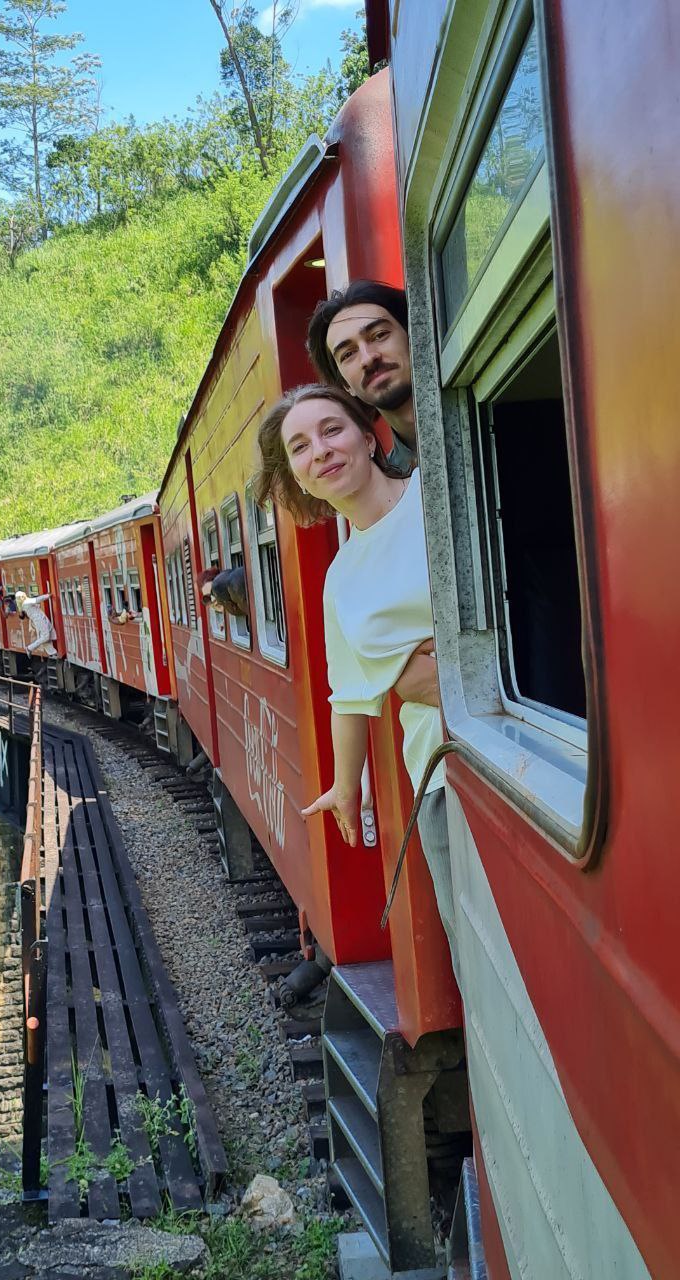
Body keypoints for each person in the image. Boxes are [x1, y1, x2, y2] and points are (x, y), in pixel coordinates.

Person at [254, 382, 457, 968]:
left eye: (331, 429)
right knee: (481, 962)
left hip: (515, 730)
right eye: (299, 447)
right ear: (296, 477)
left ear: (369, 438)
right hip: (439, 775)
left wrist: (410, 668)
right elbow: (349, 696)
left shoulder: (433, 493)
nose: (319, 449)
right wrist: (347, 788)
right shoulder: (340, 579)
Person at [307, 280, 417, 474]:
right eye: (348, 354)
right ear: (345, 384)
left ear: (414, 334)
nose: (368, 358)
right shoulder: (393, 484)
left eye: (379, 335)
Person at [15, 589, 57, 659]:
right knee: (46, 636)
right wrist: (48, 595)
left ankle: (52, 653)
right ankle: (29, 648)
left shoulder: (22, 605)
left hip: (38, 619)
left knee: (45, 635)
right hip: (39, 619)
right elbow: (37, 600)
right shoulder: (26, 602)